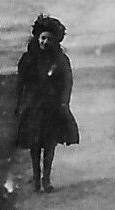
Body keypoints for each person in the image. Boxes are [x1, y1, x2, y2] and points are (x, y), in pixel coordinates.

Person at [14, 15, 79, 193]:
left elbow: (67, 82)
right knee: (35, 145)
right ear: (37, 37)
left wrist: (64, 102)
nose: (45, 42)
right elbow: (21, 83)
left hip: (52, 107)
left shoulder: (61, 60)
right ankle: (36, 177)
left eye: (49, 39)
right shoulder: (28, 59)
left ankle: (47, 178)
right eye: (42, 38)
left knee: (50, 144)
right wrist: (19, 104)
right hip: (33, 106)